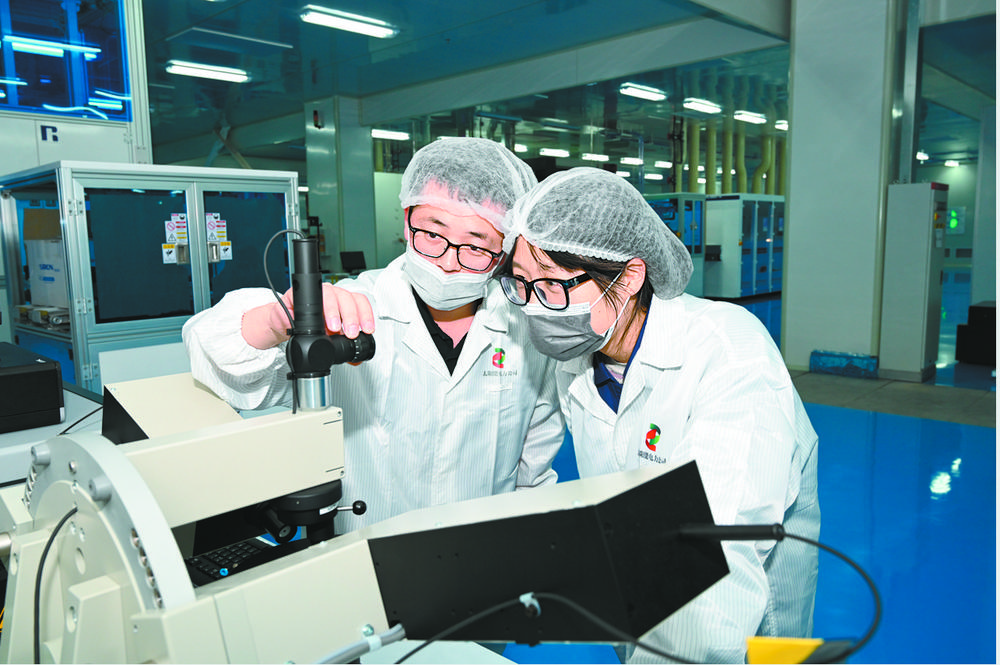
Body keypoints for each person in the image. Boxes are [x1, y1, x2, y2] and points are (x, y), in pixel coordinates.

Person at [498, 167, 820, 664]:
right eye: (521, 283)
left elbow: (714, 546)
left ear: (628, 277)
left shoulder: (731, 352)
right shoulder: (582, 353)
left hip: (743, 626)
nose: (535, 308)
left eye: (553, 286)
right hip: (637, 594)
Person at [183, 138, 565, 534]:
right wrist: (282, 319)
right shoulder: (349, 311)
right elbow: (215, 352)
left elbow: (533, 471)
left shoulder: (526, 333)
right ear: (407, 220)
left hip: (482, 549)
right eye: (432, 234)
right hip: (364, 551)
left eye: (475, 245)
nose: (448, 262)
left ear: (505, 250)